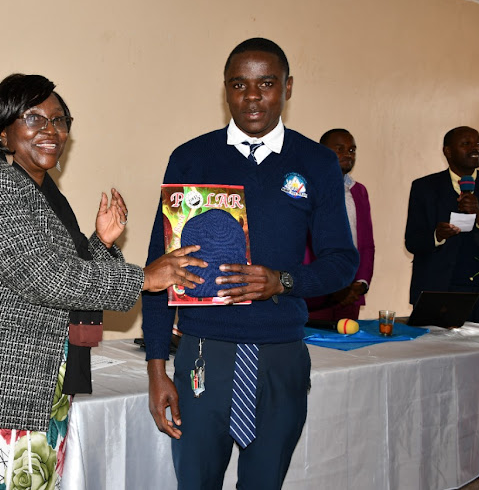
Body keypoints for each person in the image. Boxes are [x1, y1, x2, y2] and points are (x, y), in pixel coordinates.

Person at [0, 73, 205, 490]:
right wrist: (145, 277)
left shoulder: (45, 194)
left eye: (60, 121)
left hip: (37, 382)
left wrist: (101, 243)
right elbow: (41, 276)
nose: (51, 130)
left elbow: (63, 282)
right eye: (34, 118)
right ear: (3, 129)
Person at [141, 38, 359, 489]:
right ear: (226, 90)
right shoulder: (191, 157)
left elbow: (342, 263)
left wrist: (282, 280)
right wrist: (157, 368)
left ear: (288, 88)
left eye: (267, 84)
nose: (253, 96)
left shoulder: (317, 163)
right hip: (204, 355)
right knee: (196, 482)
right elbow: (159, 270)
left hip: (280, 354)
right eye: (240, 84)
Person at [405, 126, 479, 326]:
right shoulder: (424, 187)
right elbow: (412, 241)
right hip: (439, 288)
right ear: (447, 151)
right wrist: (437, 236)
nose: (475, 148)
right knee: (436, 353)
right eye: (466, 144)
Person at [306, 129, 375, 321]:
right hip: (317, 295)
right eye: (340, 149)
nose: (348, 154)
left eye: (352, 150)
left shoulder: (359, 191)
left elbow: (366, 244)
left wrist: (361, 283)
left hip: (350, 294)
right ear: (321, 152)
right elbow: (304, 247)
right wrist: (330, 287)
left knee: (349, 349)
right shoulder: (305, 189)